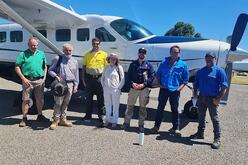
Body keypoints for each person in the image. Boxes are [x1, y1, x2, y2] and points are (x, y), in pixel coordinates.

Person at [190, 52, 228, 149]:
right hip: (201, 97)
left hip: (212, 99)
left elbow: (224, 87)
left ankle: (217, 139)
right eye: (207, 58)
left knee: (214, 119)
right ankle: (200, 133)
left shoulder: (219, 71)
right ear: (205, 59)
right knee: (201, 117)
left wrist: (218, 99)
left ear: (215, 59)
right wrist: (195, 92)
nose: (209, 60)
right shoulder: (201, 71)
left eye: (211, 58)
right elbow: (196, 83)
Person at [150, 45, 189, 137]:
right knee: (160, 108)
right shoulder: (164, 62)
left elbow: (185, 79)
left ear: (179, 53)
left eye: (177, 52)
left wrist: (179, 89)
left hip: (175, 91)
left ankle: (176, 128)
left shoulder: (183, 64)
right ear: (170, 53)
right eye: (173, 52)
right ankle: (156, 127)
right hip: (164, 89)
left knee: (174, 109)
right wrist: (159, 84)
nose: (175, 54)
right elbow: (158, 74)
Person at [15, 37, 49, 127]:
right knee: (25, 100)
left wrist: (44, 77)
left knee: (40, 99)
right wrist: (23, 79)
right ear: (28, 45)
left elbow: (45, 66)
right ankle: (24, 118)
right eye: (31, 45)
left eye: (35, 45)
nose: (33, 47)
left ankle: (40, 115)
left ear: (38, 45)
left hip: (39, 80)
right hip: (27, 80)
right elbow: (17, 67)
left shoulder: (41, 53)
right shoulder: (23, 54)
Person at [122, 47, 155, 132]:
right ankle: (126, 123)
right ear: (138, 53)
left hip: (144, 89)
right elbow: (128, 76)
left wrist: (144, 84)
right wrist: (132, 83)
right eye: (141, 52)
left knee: (143, 108)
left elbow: (152, 77)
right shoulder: (133, 64)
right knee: (130, 106)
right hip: (133, 88)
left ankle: (141, 124)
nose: (142, 54)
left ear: (145, 54)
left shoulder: (149, 65)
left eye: (144, 53)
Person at [48, 43, 79, 130]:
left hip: (70, 84)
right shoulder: (58, 59)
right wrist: (56, 76)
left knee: (66, 103)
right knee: (58, 103)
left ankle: (63, 120)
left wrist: (76, 86)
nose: (68, 52)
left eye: (70, 50)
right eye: (66, 50)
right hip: (60, 84)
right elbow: (50, 70)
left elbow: (76, 75)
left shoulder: (75, 61)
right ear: (63, 50)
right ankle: (55, 120)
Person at [81, 37, 108, 127]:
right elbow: (84, 68)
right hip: (89, 79)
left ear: (100, 44)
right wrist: (84, 80)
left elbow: (107, 68)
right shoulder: (87, 54)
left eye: (97, 44)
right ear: (92, 44)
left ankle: (101, 116)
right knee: (89, 99)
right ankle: (88, 116)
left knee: (101, 99)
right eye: (94, 44)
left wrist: (106, 81)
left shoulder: (104, 54)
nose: (95, 45)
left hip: (100, 79)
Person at [101, 53, 125, 127]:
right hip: (106, 89)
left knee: (115, 106)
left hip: (115, 90)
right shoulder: (106, 67)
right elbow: (102, 78)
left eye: (114, 59)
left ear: (116, 60)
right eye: (111, 58)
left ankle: (114, 121)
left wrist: (118, 88)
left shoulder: (119, 67)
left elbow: (123, 79)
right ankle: (107, 120)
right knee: (107, 105)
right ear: (109, 59)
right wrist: (104, 86)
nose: (113, 60)